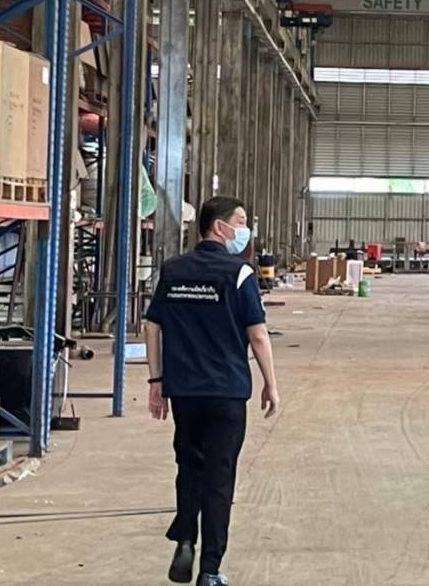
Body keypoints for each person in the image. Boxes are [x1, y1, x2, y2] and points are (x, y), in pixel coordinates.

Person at [144, 196, 280, 586]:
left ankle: (185, 538)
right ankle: (210, 569)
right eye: (240, 221)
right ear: (219, 227)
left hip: (185, 391)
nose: (244, 229)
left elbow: (152, 326)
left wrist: (157, 382)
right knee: (219, 479)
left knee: (189, 466)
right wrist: (270, 384)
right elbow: (258, 335)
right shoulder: (240, 273)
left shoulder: (173, 271)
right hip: (226, 392)